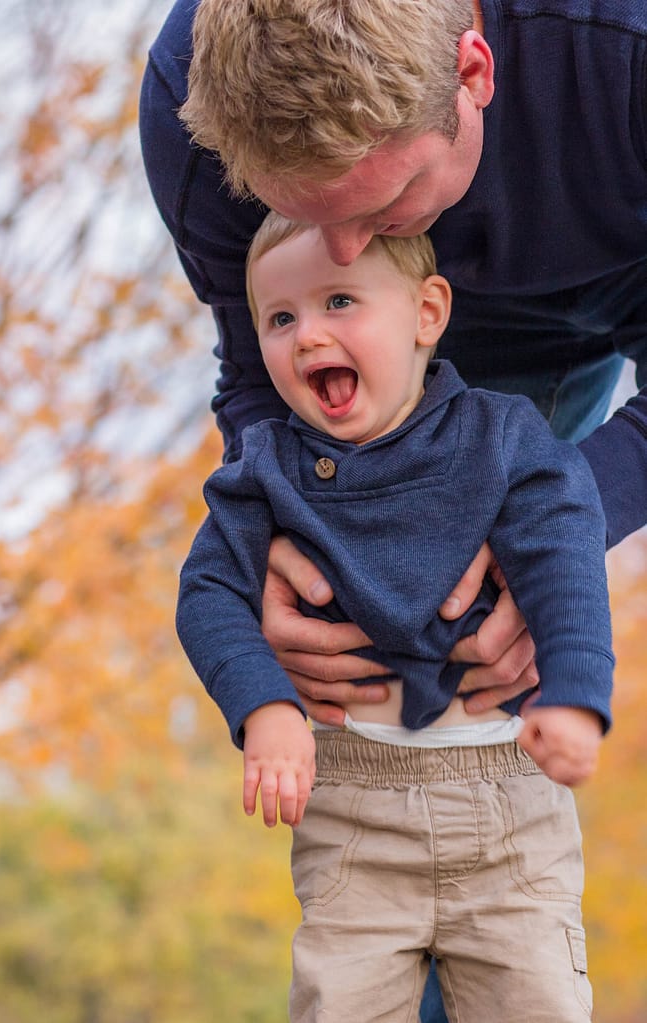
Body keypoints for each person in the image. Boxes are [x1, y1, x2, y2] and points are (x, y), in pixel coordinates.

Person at [139, 1, 646, 1019]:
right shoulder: (187, 106)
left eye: (387, 201)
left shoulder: (617, 53)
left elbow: (555, 529)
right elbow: (253, 377)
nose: (343, 249)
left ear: (473, 73)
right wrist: (283, 544)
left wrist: (549, 537)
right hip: (342, 425)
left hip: (589, 324)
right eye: (304, 214)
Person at [176, 213, 614, 1022]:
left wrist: (576, 690)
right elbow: (207, 591)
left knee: (540, 1001)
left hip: (506, 804)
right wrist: (264, 706)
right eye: (281, 318)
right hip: (354, 811)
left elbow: (563, 551)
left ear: (426, 312)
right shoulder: (266, 467)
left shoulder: (502, 435)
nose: (308, 336)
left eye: (339, 300)